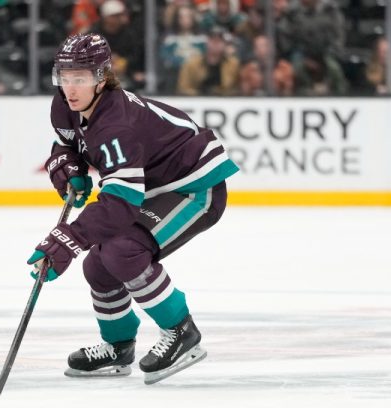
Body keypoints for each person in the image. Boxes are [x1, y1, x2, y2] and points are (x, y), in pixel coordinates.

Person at [26, 33, 240, 384]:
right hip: (151, 187)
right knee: (98, 264)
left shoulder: (116, 125)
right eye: (64, 77)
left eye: (80, 78)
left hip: (194, 189)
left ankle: (182, 332)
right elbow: (68, 144)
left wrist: (69, 237)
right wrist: (67, 164)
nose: (70, 88)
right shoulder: (65, 105)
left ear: (102, 77)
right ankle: (118, 346)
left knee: (122, 251)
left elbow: (121, 203)